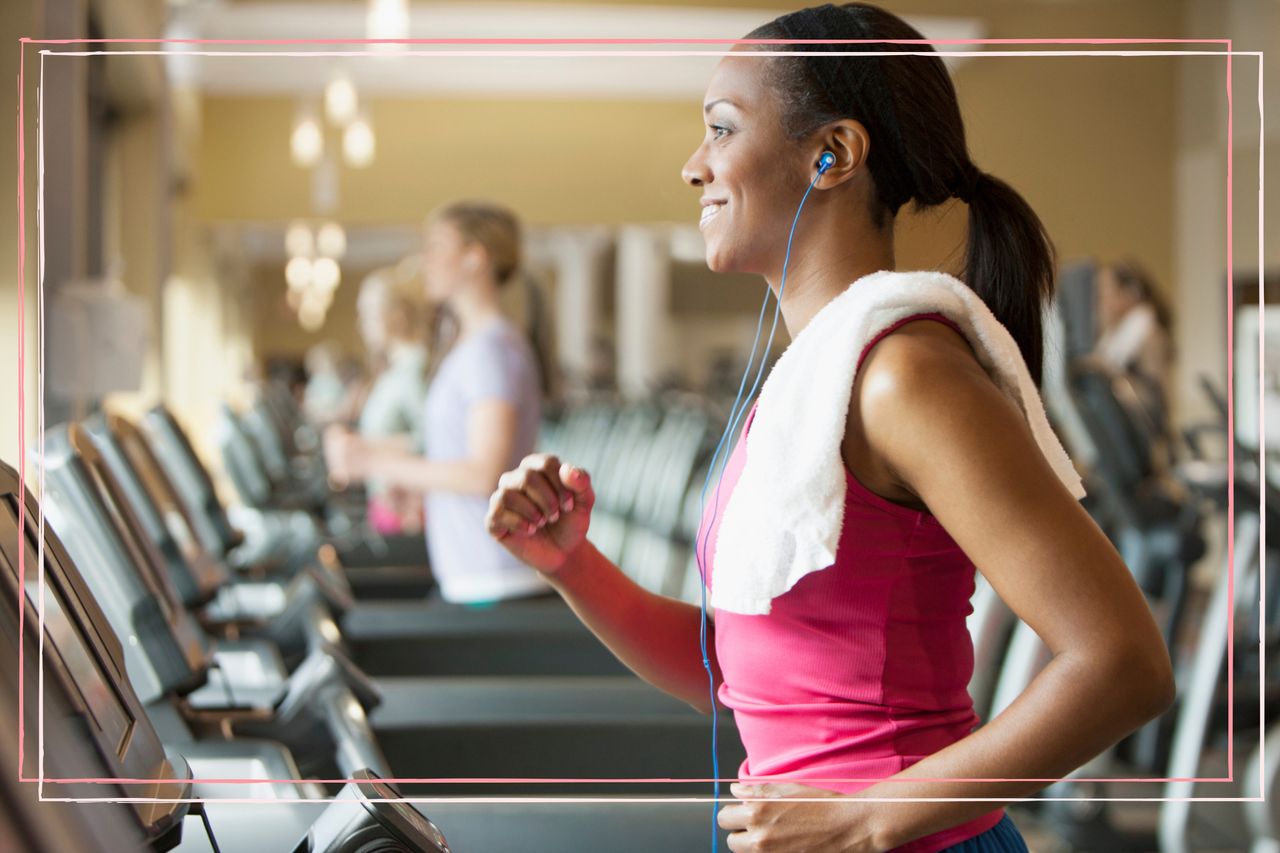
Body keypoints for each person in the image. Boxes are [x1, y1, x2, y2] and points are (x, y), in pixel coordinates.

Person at [484, 5, 1174, 852]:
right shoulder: (808, 385)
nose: (692, 165)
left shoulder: (903, 376)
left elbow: (1123, 661)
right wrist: (575, 567)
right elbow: (746, 673)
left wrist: (864, 814)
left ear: (832, 154)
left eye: (721, 130)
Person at [327, 201, 549, 603]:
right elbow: (457, 454)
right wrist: (415, 486)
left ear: (474, 259)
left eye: (436, 247)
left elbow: (485, 473)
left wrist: (375, 464)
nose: (424, 260)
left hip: (494, 576)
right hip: (469, 571)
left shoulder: (491, 350)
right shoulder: (469, 347)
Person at [1091, 258, 1176, 432]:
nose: (1102, 299)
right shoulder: (1114, 333)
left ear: (1131, 293)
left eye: (1107, 290)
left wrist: (1118, 385)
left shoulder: (1150, 335)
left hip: (1142, 433)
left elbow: (1155, 397)